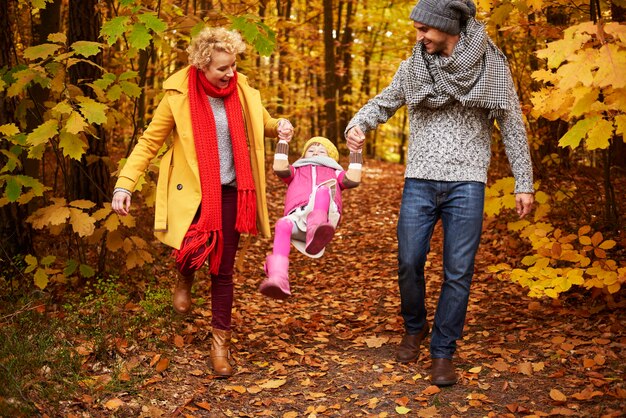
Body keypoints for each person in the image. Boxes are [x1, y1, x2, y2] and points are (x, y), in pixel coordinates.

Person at [345, 0, 534, 386]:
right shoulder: (415, 66)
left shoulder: (491, 67)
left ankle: (442, 351)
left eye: (423, 30)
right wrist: (359, 123)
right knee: (409, 261)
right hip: (420, 179)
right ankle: (414, 327)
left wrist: (524, 181)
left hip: (467, 182)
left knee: (458, 272)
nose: (419, 37)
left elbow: (512, 124)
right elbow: (385, 101)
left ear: (447, 27)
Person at [110, 27, 294, 378]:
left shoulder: (242, 89)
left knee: (223, 270)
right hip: (193, 191)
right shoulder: (178, 94)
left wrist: (279, 126)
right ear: (202, 65)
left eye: (233, 65)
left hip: (232, 190)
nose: (230, 73)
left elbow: (262, 122)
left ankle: (220, 344)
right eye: (222, 68)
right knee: (191, 248)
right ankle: (184, 276)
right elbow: (149, 143)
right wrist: (125, 184)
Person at [259, 137, 362, 299]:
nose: (316, 152)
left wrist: (356, 153)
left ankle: (317, 230)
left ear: (331, 157)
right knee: (282, 224)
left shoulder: (334, 171)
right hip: (299, 216)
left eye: (322, 151)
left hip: (327, 213)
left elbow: (353, 179)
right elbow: (280, 168)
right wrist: (283, 142)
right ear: (304, 154)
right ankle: (278, 277)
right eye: (311, 150)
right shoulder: (297, 170)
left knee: (322, 191)